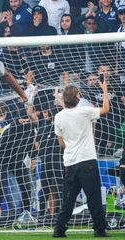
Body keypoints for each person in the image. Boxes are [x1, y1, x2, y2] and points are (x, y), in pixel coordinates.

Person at [53, 84, 109, 238]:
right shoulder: (84, 111)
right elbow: (105, 109)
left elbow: (61, 143)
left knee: (68, 199)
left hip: (70, 162)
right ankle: (99, 230)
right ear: (77, 97)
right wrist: (104, 89)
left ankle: (59, 229)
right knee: (94, 197)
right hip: (87, 161)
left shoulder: (58, 116)